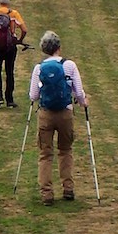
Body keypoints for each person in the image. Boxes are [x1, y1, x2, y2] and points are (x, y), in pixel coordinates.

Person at [28, 30, 88, 205]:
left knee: (45, 154)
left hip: (46, 114)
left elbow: (33, 96)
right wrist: (84, 101)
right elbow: (78, 92)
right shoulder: (69, 66)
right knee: (66, 150)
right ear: (59, 48)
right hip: (65, 113)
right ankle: (68, 188)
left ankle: (47, 193)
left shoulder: (39, 68)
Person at [0, 0, 28, 108]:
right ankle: (9, 99)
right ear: (8, 3)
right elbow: (24, 30)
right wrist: (19, 40)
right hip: (10, 47)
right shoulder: (13, 13)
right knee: (9, 71)